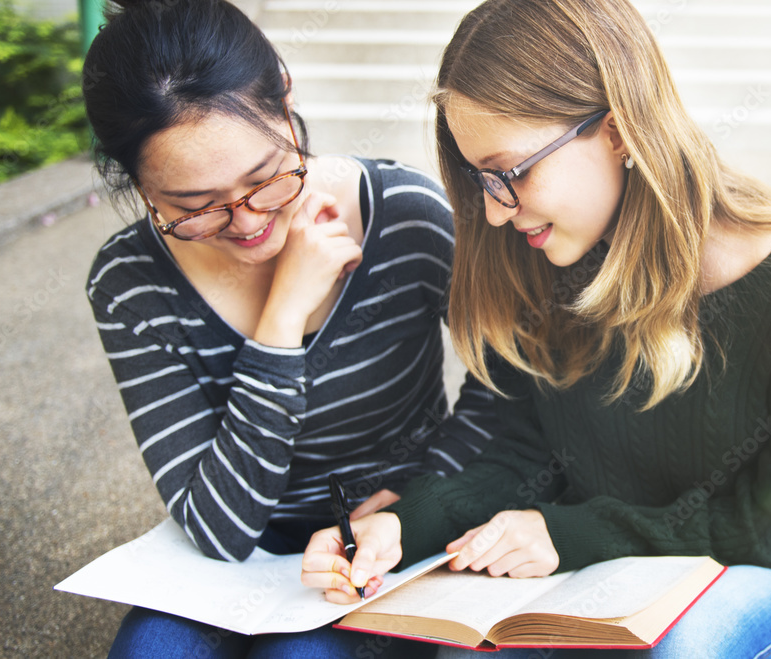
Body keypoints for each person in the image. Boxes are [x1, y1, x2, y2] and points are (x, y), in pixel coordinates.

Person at [301, 0, 771, 656]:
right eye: (479, 178)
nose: (491, 212)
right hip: (604, 568)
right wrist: (404, 525)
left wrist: (573, 534)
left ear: (619, 130)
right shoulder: (539, 257)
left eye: (510, 172)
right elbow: (518, 453)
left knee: (681, 649)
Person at [82, 0, 501, 656]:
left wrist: (421, 496)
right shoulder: (131, 283)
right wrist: (280, 322)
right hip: (245, 552)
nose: (249, 224)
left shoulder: (406, 218)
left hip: (391, 539)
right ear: (139, 186)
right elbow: (218, 530)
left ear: (283, 97)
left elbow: (510, 380)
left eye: (265, 178)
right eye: (194, 209)